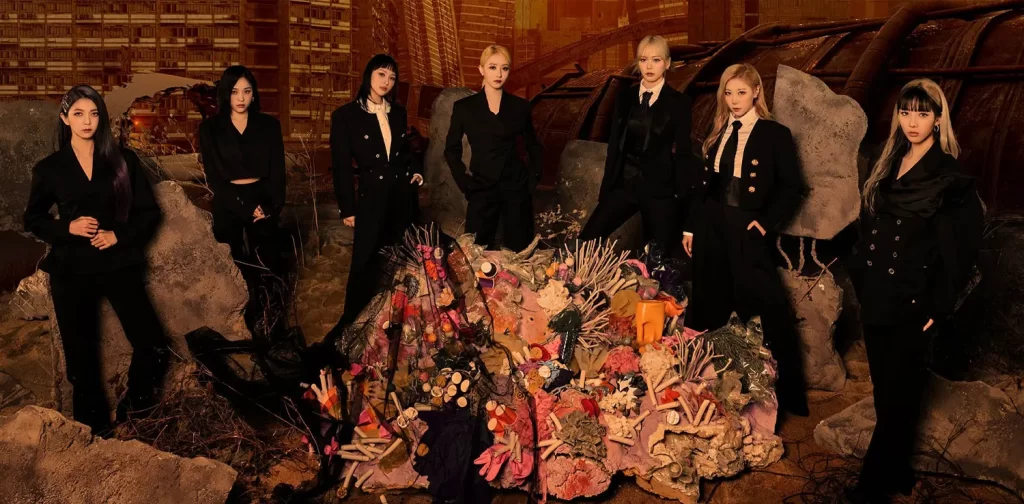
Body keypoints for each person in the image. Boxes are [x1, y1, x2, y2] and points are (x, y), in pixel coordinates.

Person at [845, 79, 983, 504]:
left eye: (923, 113)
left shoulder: (950, 178)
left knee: (899, 395)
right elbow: (869, 229)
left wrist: (939, 306)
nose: (913, 122)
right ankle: (898, 471)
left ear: (939, 119)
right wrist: (861, 280)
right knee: (889, 394)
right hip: (876, 296)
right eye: (906, 112)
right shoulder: (888, 162)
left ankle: (869, 489)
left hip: (911, 300)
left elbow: (960, 253)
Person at [24, 84, 168, 433]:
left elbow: (149, 213)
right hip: (71, 269)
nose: (87, 121)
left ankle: (136, 413)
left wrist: (118, 234)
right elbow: (33, 219)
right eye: (78, 114)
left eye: (93, 113)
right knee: (81, 361)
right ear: (65, 118)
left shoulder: (123, 161)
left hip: (118, 262)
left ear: (101, 117)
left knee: (153, 344)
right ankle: (96, 434)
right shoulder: (50, 168)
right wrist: (67, 227)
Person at [682, 63, 809, 416]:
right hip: (711, 223)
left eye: (741, 92)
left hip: (745, 225)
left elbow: (792, 187)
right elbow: (704, 188)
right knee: (707, 300)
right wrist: (691, 228)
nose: (734, 99)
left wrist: (765, 223)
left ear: (756, 92)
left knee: (768, 305)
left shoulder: (774, 133)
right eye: (728, 92)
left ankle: (789, 397)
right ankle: (701, 390)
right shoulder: (719, 129)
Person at [329, 53, 422, 330]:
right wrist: (348, 208)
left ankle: (401, 322)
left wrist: (416, 170)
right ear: (368, 74)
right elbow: (341, 166)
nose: (387, 81)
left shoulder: (398, 112)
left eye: (392, 77)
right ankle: (354, 325)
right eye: (382, 74)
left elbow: (408, 150)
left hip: (402, 198)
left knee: (405, 260)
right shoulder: (346, 116)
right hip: (371, 198)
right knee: (365, 264)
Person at [578, 35, 694, 253]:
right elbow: (614, 147)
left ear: (667, 63)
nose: (649, 66)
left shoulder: (680, 103)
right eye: (643, 60)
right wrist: (606, 193)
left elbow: (684, 155)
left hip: (660, 191)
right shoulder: (624, 97)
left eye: (656, 60)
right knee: (585, 242)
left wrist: (682, 202)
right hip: (625, 186)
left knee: (661, 260)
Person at [445, 44, 543, 252]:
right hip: (481, 188)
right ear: (481, 69)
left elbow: (534, 147)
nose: (499, 74)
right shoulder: (464, 108)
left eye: (504, 68)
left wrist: (530, 183)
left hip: (516, 189)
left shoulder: (520, 107)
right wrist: (466, 183)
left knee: (520, 254)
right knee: (478, 254)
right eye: (492, 67)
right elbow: (451, 150)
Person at [198, 65, 286, 277]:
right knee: (232, 269)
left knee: (268, 266)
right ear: (225, 94)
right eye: (234, 91)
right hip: (228, 199)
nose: (241, 98)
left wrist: (269, 207)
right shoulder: (210, 129)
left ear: (253, 94)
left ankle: (269, 308)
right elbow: (214, 178)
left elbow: (278, 173)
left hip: (262, 197)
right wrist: (245, 207)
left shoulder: (269, 125)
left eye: (246, 91)